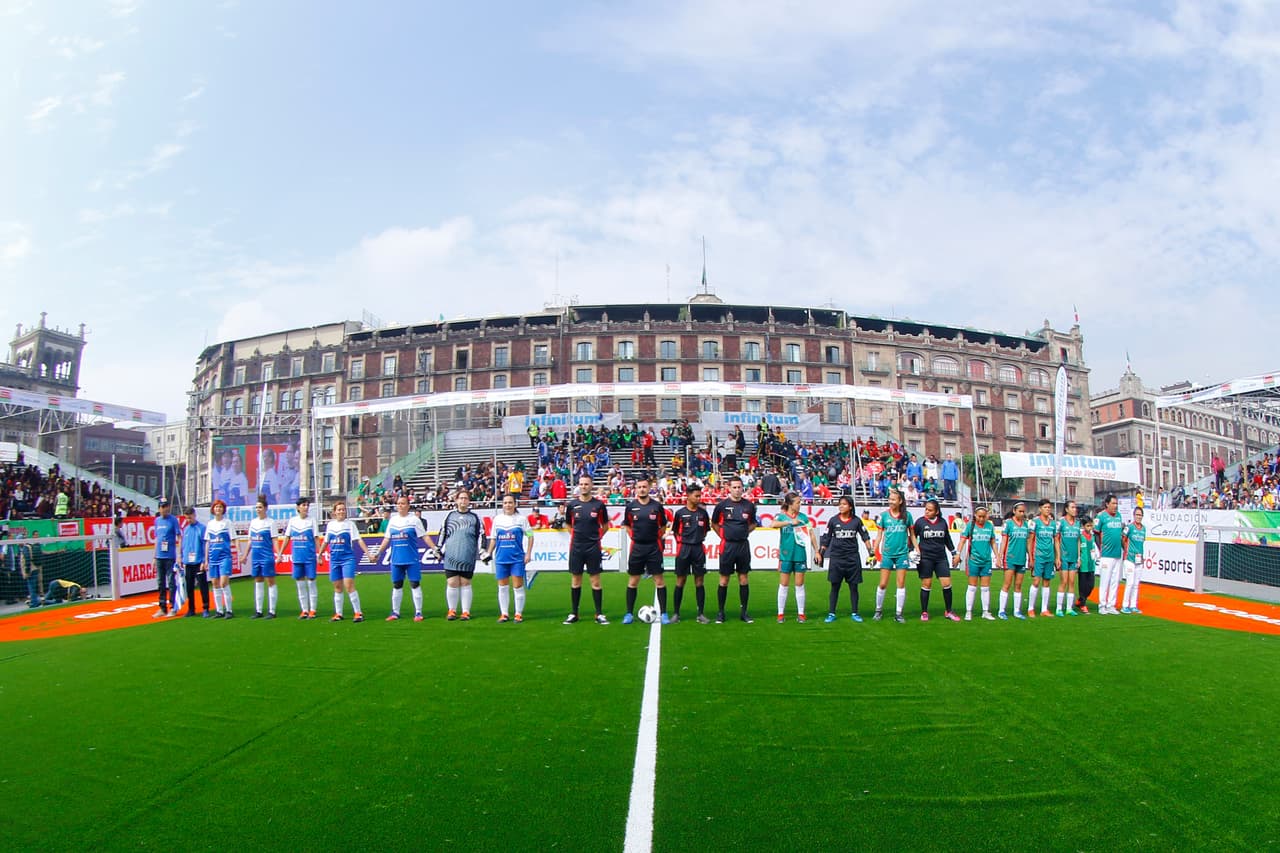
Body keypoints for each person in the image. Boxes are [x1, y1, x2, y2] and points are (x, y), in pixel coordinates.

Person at [368, 495, 437, 622]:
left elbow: (424, 536)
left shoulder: (414, 520)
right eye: (398, 503)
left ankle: (418, 612)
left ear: (408, 506)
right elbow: (386, 539)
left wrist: (434, 548)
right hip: (396, 559)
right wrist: (378, 553)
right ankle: (395, 612)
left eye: (403, 503)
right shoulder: (393, 521)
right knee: (397, 585)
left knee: (415, 584)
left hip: (411, 559)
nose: (400, 505)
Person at [622, 476, 669, 624]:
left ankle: (664, 614)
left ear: (649, 488)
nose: (642, 489)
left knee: (659, 580)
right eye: (639, 487)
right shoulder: (630, 507)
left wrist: (656, 536)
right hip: (637, 548)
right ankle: (629, 614)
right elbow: (627, 525)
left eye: (644, 487)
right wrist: (633, 536)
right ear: (636, 489)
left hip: (653, 547)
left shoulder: (657, 506)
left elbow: (663, 526)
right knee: (633, 580)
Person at [711, 475, 759, 624]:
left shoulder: (749, 506)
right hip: (728, 546)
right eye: (734, 487)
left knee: (743, 578)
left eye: (739, 487)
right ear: (729, 488)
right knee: (724, 580)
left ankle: (744, 612)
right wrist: (723, 536)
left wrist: (744, 533)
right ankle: (721, 612)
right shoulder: (722, 506)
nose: (737, 490)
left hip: (743, 545)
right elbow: (714, 524)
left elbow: (753, 523)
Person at [564, 475, 610, 624]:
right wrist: (576, 536)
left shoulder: (599, 505)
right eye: (581, 484)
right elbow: (568, 524)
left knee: (595, 581)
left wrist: (596, 538)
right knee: (576, 580)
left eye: (586, 484)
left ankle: (599, 614)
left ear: (591, 486)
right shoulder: (572, 505)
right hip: (576, 547)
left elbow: (605, 526)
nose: (583, 486)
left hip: (593, 548)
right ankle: (574, 613)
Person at [818, 495, 871, 622]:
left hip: (852, 558)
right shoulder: (833, 521)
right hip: (837, 558)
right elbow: (826, 539)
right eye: (840, 504)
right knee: (835, 586)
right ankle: (831, 613)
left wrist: (871, 553)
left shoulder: (856, 521)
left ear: (850, 507)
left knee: (854, 587)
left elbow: (865, 537)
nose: (841, 506)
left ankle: (855, 612)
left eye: (844, 504)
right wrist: (821, 553)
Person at [438, 490, 487, 621]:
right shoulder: (449, 516)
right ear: (456, 500)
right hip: (451, 554)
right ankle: (452, 610)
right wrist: (438, 548)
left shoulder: (475, 518)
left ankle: (465, 611)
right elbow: (442, 533)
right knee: (452, 582)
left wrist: (482, 550)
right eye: (461, 498)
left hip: (467, 554)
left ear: (469, 501)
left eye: (466, 498)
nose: (463, 501)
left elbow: (482, 535)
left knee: (465, 582)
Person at [771, 491, 818, 623]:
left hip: (800, 554)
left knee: (799, 584)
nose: (800, 504)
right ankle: (780, 613)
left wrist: (817, 551)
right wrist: (790, 522)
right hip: (786, 555)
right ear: (790, 504)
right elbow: (772, 524)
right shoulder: (782, 517)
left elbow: (811, 533)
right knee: (784, 584)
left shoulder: (804, 517)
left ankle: (801, 613)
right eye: (797, 502)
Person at [485, 494, 532, 622]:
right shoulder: (497, 519)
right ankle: (504, 614)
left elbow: (530, 535)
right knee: (502, 587)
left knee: (518, 586)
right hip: (501, 558)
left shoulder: (522, 519)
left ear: (515, 504)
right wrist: (489, 553)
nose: (508, 505)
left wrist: (528, 553)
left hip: (517, 558)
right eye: (505, 503)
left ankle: (518, 614)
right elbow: (493, 538)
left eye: (510, 502)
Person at [912, 498, 960, 621]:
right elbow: (912, 537)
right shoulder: (920, 522)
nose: (927, 512)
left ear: (937, 511)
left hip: (940, 558)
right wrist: (911, 551)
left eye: (930, 510)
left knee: (947, 583)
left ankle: (949, 611)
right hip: (925, 558)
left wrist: (954, 553)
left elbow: (947, 539)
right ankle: (924, 612)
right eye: (926, 509)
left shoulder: (942, 522)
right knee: (926, 584)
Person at [670, 483, 711, 623]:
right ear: (688, 496)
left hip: (698, 549)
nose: (699, 498)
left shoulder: (703, 513)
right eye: (696, 496)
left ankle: (701, 614)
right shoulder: (680, 513)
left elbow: (705, 531)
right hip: (684, 549)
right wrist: (683, 543)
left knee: (699, 581)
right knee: (680, 580)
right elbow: (675, 532)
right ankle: (676, 613)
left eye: (700, 496)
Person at [873, 489, 915, 623]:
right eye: (889, 499)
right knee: (883, 584)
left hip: (902, 554)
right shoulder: (884, 516)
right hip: (887, 554)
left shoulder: (907, 516)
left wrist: (917, 550)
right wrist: (873, 552)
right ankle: (878, 610)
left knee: (901, 583)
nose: (890, 501)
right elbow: (879, 536)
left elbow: (912, 535)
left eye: (893, 499)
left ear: (900, 501)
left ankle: (899, 613)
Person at [324, 499, 365, 622]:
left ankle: (358, 613)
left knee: (349, 585)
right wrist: (319, 554)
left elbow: (359, 540)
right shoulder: (330, 525)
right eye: (339, 510)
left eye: (343, 509)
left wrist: (368, 553)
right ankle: (338, 613)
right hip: (334, 560)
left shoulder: (350, 525)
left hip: (347, 558)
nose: (341, 512)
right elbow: (326, 541)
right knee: (337, 587)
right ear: (334, 512)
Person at [281, 497, 322, 619]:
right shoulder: (293, 521)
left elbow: (316, 538)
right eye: (303, 505)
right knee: (300, 584)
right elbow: (287, 538)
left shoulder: (312, 520)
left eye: (307, 505)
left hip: (309, 557)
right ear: (298, 507)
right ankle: (304, 610)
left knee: (311, 582)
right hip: (297, 557)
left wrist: (319, 554)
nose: (306, 507)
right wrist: (280, 553)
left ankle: (313, 610)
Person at [957, 505, 997, 621]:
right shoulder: (970, 525)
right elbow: (962, 540)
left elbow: (993, 542)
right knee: (972, 587)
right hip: (973, 561)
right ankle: (968, 611)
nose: (981, 519)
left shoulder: (989, 526)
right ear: (975, 515)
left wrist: (997, 556)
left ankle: (985, 611)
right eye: (979, 516)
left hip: (986, 561)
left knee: (985, 588)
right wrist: (958, 554)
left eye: (983, 516)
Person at [1093, 494, 1127, 615]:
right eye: (1113, 503)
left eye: (1116, 503)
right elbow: (1096, 533)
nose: (1115, 506)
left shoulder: (1119, 516)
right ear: (1107, 504)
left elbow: (1120, 534)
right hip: (1106, 554)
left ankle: (1111, 605)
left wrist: (1124, 549)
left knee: (1115, 581)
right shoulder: (1101, 516)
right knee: (1105, 581)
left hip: (1117, 554)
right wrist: (1100, 548)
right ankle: (1102, 605)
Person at [246, 497, 279, 618]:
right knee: (258, 581)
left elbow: (274, 540)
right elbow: (250, 540)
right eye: (256, 507)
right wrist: (245, 555)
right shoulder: (253, 522)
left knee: (270, 582)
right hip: (256, 557)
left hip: (266, 556)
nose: (258, 509)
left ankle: (272, 611)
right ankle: (258, 610)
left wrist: (279, 553)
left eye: (260, 507)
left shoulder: (271, 522)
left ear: (265, 508)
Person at [1027, 499, 1060, 618]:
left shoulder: (1053, 524)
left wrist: (1058, 557)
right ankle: (1030, 608)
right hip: (1038, 556)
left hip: (1049, 557)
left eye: (1049, 507)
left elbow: (1056, 540)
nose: (1048, 509)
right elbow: (1030, 541)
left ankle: (1044, 609)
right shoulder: (1035, 522)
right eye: (1045, 507)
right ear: (1040, 509)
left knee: (1047, 582)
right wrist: (1030, 557)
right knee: (1036, 581)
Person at [998, 503, 1031, 619]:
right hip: (1010, 558)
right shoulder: (1008, 524)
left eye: (1023, 512)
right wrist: (1000, 556)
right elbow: (1003, 541)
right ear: (1014, 511)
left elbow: (1028, 543)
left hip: (1021, 559)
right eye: (1020, 511)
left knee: (1018, 585)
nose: (1022, 514)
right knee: (1007, 584)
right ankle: (1001, 611)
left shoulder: (1026, 525)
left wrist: (1030, 557)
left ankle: (1017, 611)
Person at [203, 499, 235, 618]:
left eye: (220, 507)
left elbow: (234, 538)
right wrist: (206, 560)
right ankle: (219, 611)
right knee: (215, 584)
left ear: (223, 510)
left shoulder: (227, 523)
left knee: (223, 583)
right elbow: (207, 542)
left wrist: (239, 552)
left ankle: (229, 610)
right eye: (216, 507)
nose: (218, 509)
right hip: (213, 557)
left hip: (224, 557)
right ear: (213, 509)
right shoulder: (210, 524)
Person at [179, 506, 210, 618]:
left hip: (198, 562)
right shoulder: (186, 529)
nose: (188, 520)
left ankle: (205, 608)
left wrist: (204, 561)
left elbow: (205, 545)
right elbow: (184, 545)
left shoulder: (201, 528)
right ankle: (191, 609)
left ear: (194, 515)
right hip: (188, 562)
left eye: (190, 518)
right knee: (189, 587)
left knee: (202, 586)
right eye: (186, 518)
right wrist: (182, 558)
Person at [152, 498, 181, 618]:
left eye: (166, 506)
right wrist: (154, 556)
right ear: (159, 508)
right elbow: (156, 539)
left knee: (171, 581)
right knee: (160, 582)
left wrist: (179, 554)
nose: (164, 509)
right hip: (159, 556)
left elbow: (179, 536)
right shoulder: (157, 521)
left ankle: (173, 607)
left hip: (169, 556)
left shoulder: (173, 520)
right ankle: (162, 607)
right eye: (162, 507)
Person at [1056, 501, 1083, 617]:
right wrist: (1058, 557)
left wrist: (1079, 557)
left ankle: (1069, 608)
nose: (1075, 509)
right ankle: (1058, 608)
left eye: (1075, 507)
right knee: (1064, 582)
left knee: (1072, 582)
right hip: (1064, 557)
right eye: (1072, 507)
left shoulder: (1077, 523)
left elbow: (1078, 540)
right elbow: (1056, 539)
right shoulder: (1061, 522)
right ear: (1066, 509)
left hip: (1074, 557)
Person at [1121, 506, 1147, 614]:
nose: (1138, 517)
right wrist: (1126, 550)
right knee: (1130, 582)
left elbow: (1142, 543)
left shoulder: (1144, 529)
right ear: (1134, 515)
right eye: (1137, 515)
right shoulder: (1130, 527)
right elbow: (1123, 539)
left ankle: (1133, 605)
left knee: (1136, 584)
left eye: (1140, 515)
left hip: (1139, 560)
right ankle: (1124, 605)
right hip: (1129, 558)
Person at [1075, 516, 1099, 613]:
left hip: (1091, 564)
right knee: (1083, 585)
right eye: (1088, 526)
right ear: (1083, 526)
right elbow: (1078, 549)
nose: (1090, 528)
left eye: (1091, 526)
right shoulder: (1080, 536)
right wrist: (1078, 559)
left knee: (1091, 585)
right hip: (1083, 564)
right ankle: (1083, 604)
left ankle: (1081, 600)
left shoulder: (1093, 536)